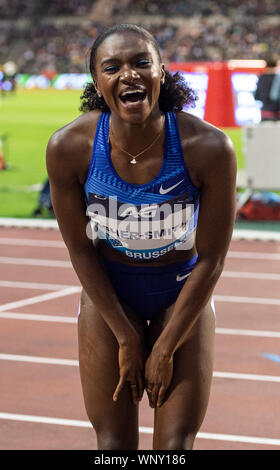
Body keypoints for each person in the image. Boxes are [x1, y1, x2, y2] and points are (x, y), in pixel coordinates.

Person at [46, 24, 236, 450]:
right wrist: (127, 337)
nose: (128, 74)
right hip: (110, 295)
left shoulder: (208, 147)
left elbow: (212, 259)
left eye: (140, 62)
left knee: (174, 447)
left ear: (162, 73)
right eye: (112, 67)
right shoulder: (69, 148)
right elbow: (79, 247)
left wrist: (165, 348)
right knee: (113, 446)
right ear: (98, 83)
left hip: (181, 293)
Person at [254, 55, 280, 121]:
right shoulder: (278, 78)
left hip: (264, 113)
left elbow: (256, 96)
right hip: (276, 114)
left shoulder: (261, 78)